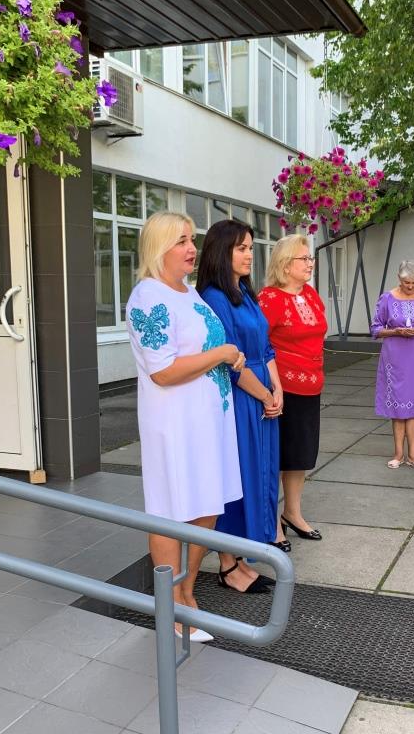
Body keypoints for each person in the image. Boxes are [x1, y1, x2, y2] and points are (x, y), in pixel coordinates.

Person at [126, 212, 245, 641]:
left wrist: (225, 355)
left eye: (191, 239)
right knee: (170, 508)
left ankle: (187, 591)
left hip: (207, 423)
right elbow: (162, 370)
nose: (192, 248)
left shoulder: (188, 292)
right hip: (174, 424)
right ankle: (172, 605)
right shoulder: (148, 296)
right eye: (181, 241)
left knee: (205, 504)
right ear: (159, 246)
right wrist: (223, 353)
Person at [197, 220, 284, 584]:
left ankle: (242, 557)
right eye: (241, 248)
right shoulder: (215, 297)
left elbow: (265, 346)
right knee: (238, 475)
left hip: (262, 393)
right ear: (222, 252)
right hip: (241, 397)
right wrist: (264, 393)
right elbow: (230, 361)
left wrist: (277, 388)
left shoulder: (244, 292)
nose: (250, 255)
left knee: (260, 473)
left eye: (250, 248)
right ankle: (228, 564)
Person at [259, 235, 328, 546]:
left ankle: (292, 513)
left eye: (310, 258)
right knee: (278, 456)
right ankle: (272, 522)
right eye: (304, 258)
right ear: (285, 264)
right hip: (283, 390)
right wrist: (271, 386)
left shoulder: (311, 294)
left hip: (311, 386)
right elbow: (259, 344)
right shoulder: (269, 299)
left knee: (300, 455)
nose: (310, 263)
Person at [370, 260, 414, 470]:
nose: (410, 286)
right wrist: (395, 331)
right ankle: (398, 454)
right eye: (406, 282)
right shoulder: (387, 298)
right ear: (399, 279)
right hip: (395, 358)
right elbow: (375, 329)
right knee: (397, 405)